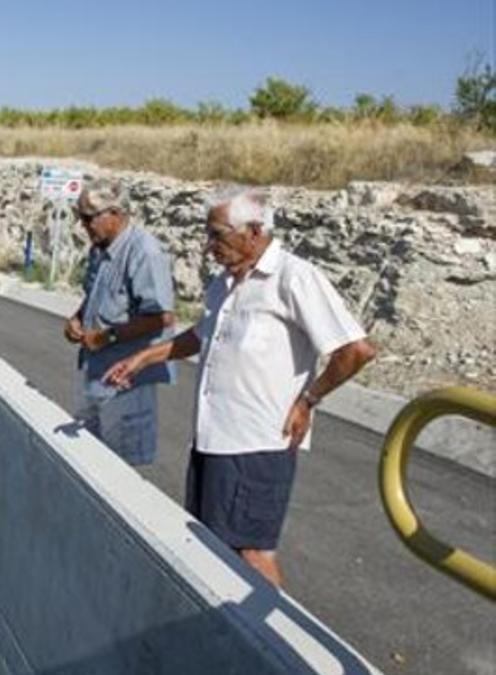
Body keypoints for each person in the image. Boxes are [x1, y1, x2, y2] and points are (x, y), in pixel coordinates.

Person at [103, 190, 376, 586]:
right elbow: (202, 336)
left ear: (254, 231)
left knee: (251, 552)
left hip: (258, 443)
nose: (209, 245)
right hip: (214, 439)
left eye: (217, 235)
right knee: (215, 546)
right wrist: (145, 358)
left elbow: (356, 350)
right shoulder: (224, 284)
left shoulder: (293, 278)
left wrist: (309, 401)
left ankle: (279, 640)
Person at [64, 183, 177, 466]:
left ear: (114, 213)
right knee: (88, 463)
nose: (83, 226)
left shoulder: (144, 253)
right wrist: (77, 319)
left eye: (88, 218)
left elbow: (161, 317)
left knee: (120, 470)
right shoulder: (99, 250)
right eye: (79, 217)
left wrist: (108, 337)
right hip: (94, 374)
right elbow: (95, 296)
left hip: (127, 383)